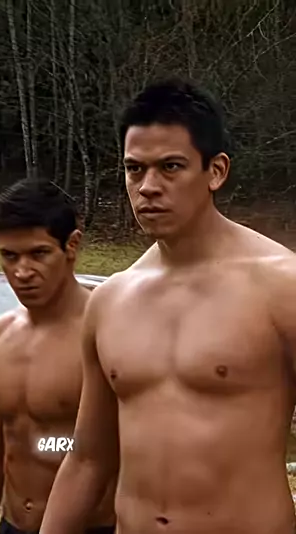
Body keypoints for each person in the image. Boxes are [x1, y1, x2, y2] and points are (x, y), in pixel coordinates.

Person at [39, 78, 296, 534]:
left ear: (215, 171)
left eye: (170, 167)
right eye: (134, 169)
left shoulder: (281, 287)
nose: (148, 187)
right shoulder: (111, 301)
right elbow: (88, 459)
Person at [0, 179, 116, 534]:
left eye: (38, 254)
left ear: (71, 245)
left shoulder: (108, 333)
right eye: (9, 256)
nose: (22, 272)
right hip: (15, 524)